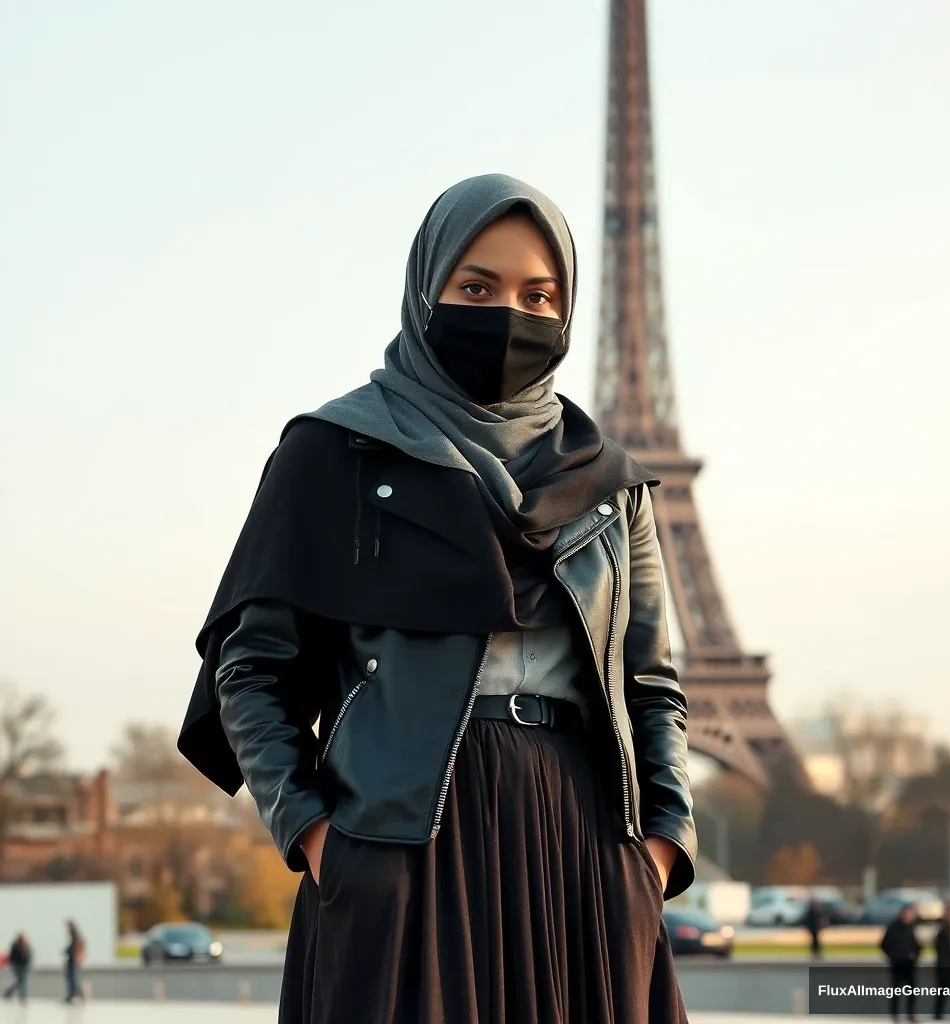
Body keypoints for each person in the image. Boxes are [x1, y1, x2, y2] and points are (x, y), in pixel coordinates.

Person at [178, 173, 696, 1024]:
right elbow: (251, 669)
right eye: (477, 287)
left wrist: (662, 848)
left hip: (586, 853)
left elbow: (653, 685)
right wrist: (315, 836)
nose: (509, 316)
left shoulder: (612, 485)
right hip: (402, 847)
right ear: (427, 292)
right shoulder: (333, 452)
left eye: (539, 295)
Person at [880, 904, 920, 1022]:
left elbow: (916, 944)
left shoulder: (911, 927)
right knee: (896, 992)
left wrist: (916, 955)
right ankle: (895, 1016)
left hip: (910, 964)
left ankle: (910, 1015)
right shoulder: (893, 927)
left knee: (912, 992)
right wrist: (892, 956)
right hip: (897, 964)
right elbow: (883, 944)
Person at [2, 932, 31, 1003]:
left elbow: (29, 955)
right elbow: (13, 957)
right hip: (17, 966)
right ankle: (22, 996)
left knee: (21, 981)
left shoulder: (26, 946)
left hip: (24, 966)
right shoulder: (15, 946)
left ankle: (11, 993)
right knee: (22, 981)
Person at [63, 920, 85, 1004]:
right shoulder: (72, 936)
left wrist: (77, 957)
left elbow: (77, 949)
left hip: (74, 961)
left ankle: (79, 995)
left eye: (68, 926)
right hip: (71, 960)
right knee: (70, 979)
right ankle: (71, 996)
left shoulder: (76, 935)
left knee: (73, 979)